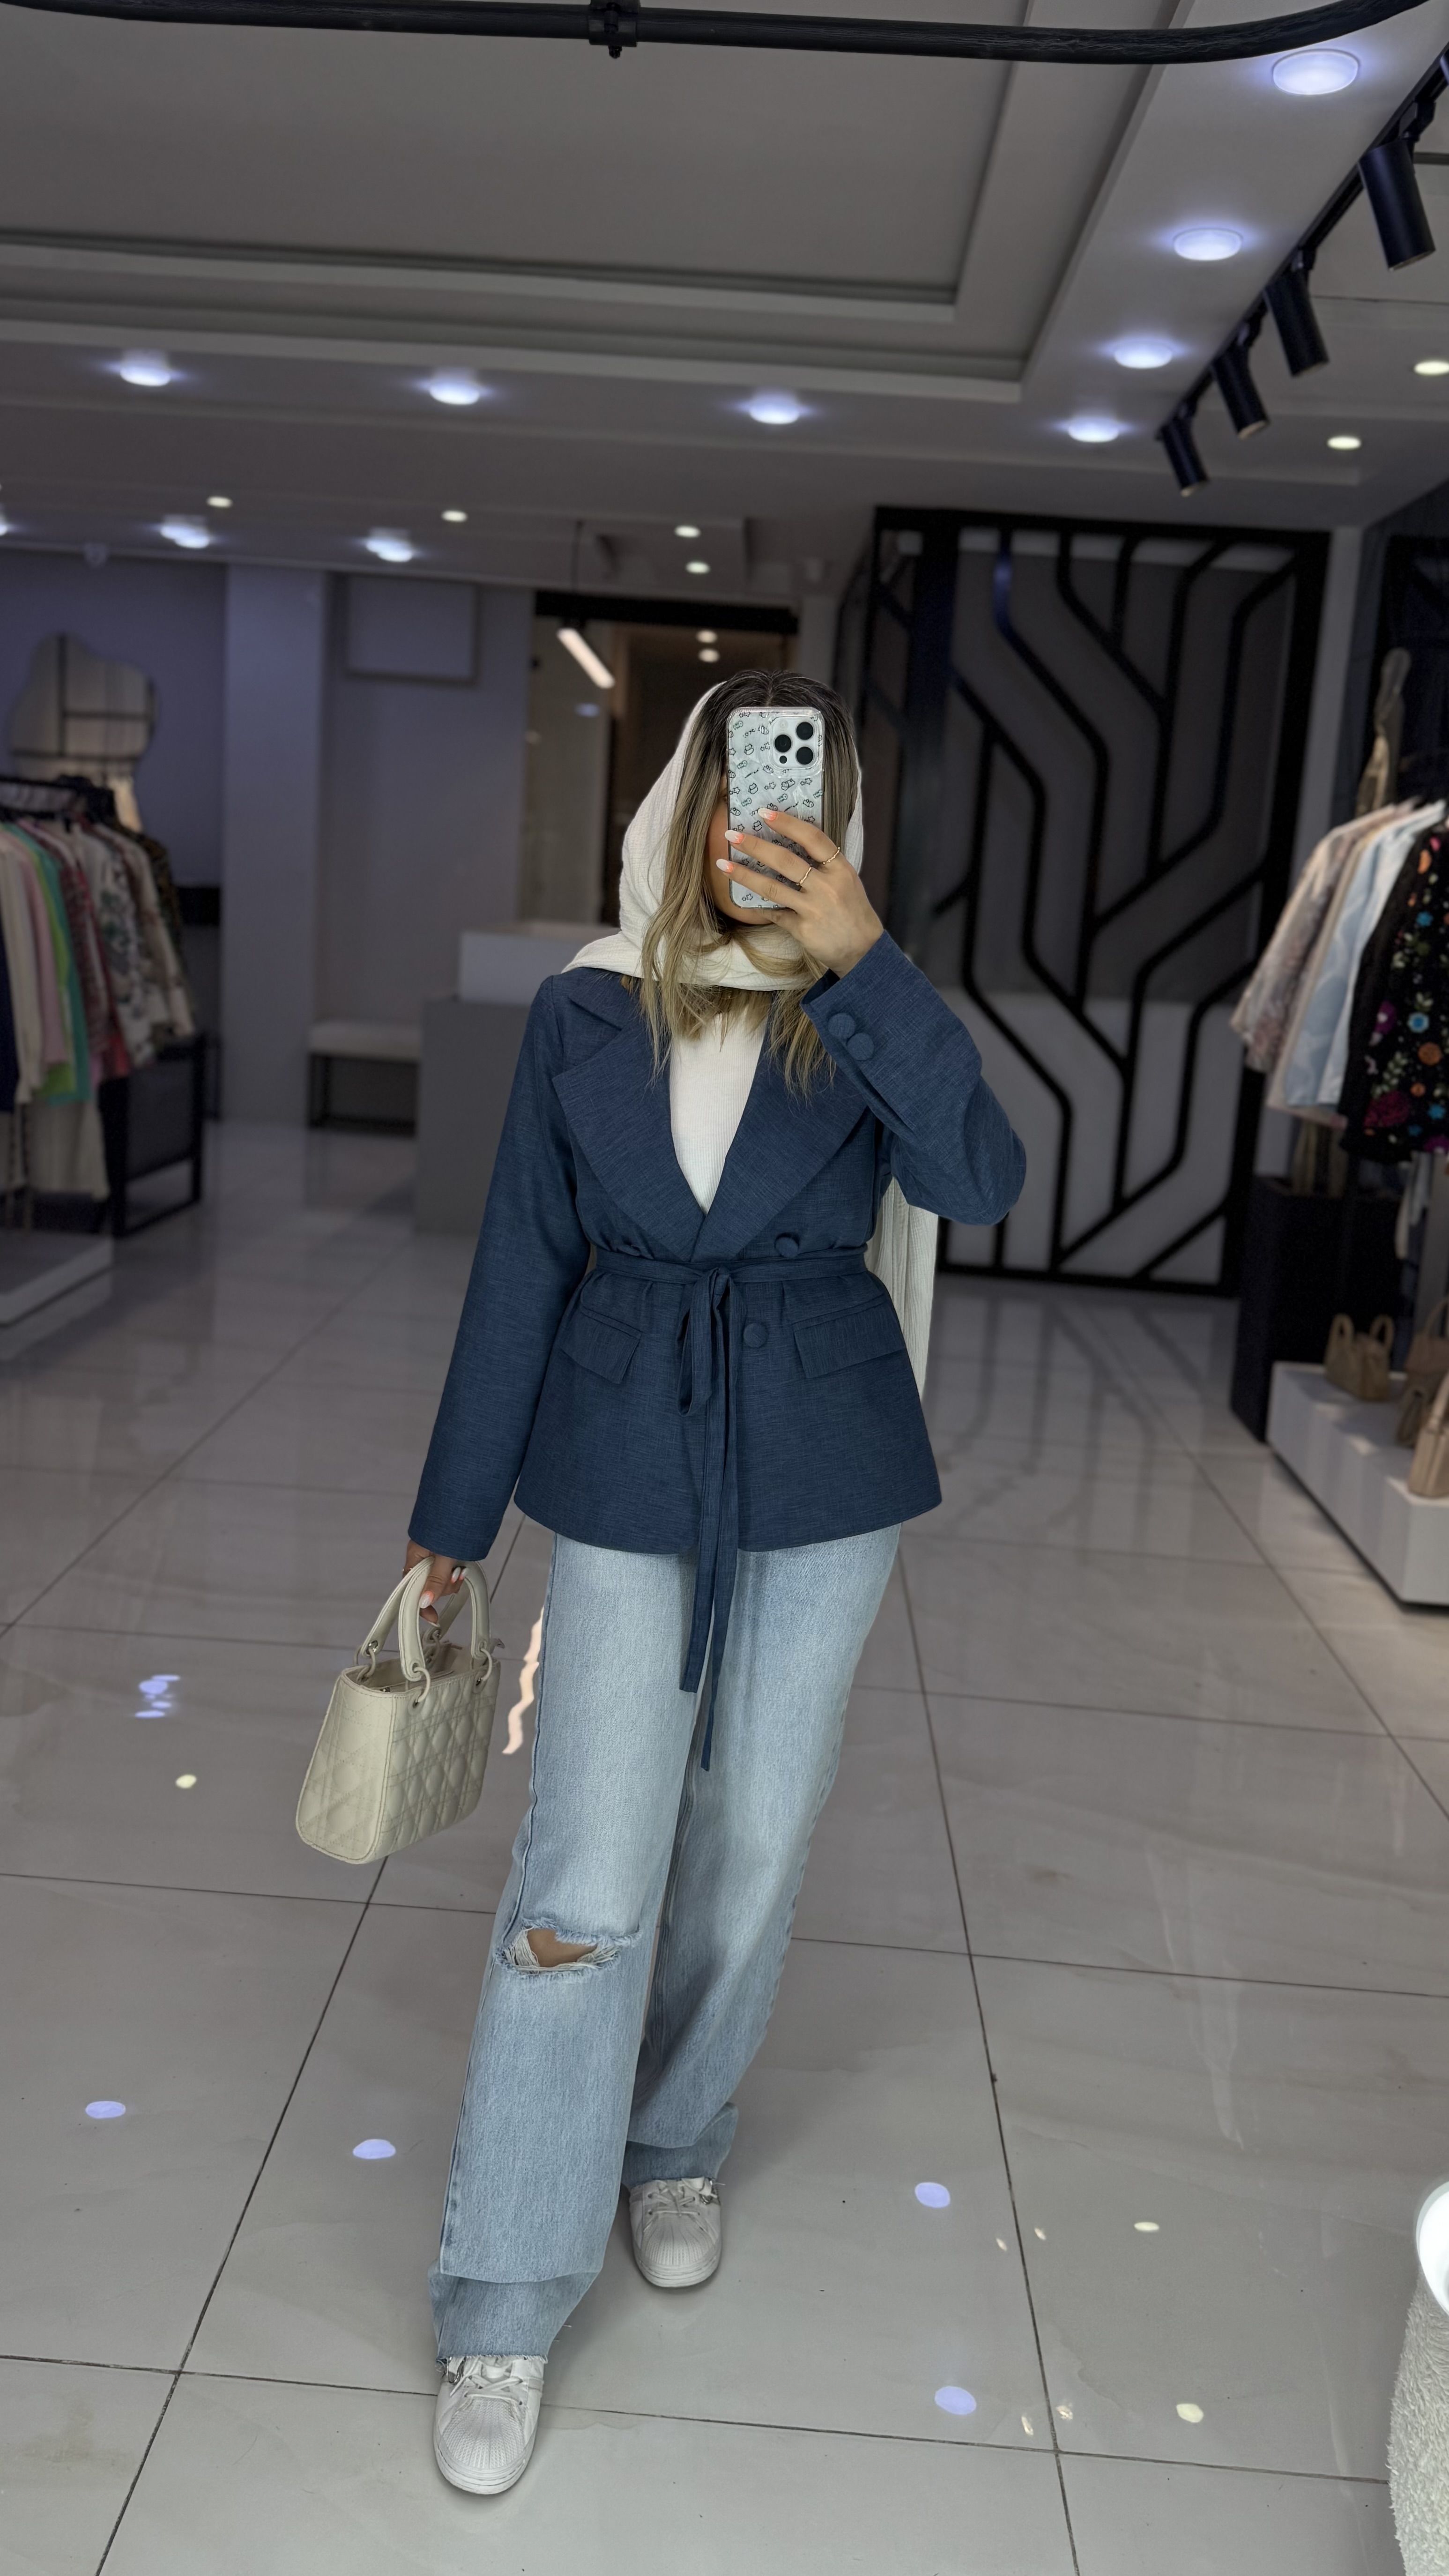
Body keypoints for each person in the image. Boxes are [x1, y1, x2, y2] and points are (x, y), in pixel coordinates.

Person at [402, 670, 1025, 2497]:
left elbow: (979, 1178)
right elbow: (520, 1265)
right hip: (619, 1443)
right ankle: (505, 2291)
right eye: (749, 788)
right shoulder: (586, 1006)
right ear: (691, 805)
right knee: (586, 1872)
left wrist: (866, 958)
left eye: (805, 791)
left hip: (823, 1460)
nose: (772, 819)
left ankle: (672, 2136)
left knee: (754, 1835)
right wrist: (451, 1522)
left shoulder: (864, 1005)